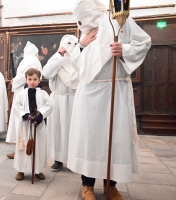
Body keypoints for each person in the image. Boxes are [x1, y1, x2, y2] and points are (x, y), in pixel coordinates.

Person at [67, 1, 151, 200]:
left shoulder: (121, 21)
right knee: (90, 139)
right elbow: (78, 68)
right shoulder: (85, 33)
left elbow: (144, 43)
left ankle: (110, 185)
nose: (82, 25)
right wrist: (80, 46)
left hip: (115, 89)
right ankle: (87, 185)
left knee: (115, 137)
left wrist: (125, 50)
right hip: (89, 94)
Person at [43, 34, 81, 172]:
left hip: (74, 99)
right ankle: (57, 159)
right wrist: (58, 55)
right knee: (57, 130)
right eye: (68, 43)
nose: (71, 47)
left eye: (74, 44)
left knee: (73, 131)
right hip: (58, 100)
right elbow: (46, 73)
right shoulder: (57, 61)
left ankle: (73, 160)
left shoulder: (78, 60)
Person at [13, 68, 52, 181]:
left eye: (35, 79)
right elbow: (16, 107)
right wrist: (25, 115)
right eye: (30, 79)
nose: (32, 81)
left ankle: (38, 169)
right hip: (25, 125)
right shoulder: (21, 93)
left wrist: (40, 115)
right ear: (26, 80)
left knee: (38, 146)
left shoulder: (43, 93)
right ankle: (21, 169)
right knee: (23, 146)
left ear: (39, 80)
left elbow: (49, 105)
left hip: (38, 125)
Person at [6, 41, 42, 159]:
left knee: (24, 122)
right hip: (21, 91)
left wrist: (15, 82)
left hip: (26, 92)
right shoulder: (28, 60)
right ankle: (20, 148)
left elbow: (25, 76)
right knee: (19, 121)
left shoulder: (32, 61)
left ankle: (25, 148)